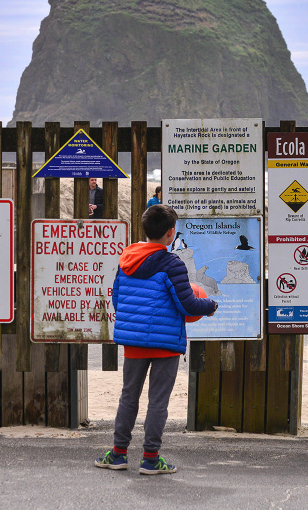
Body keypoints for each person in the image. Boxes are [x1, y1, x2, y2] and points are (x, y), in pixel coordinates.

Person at [96, 204, 218, 475]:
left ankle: (118, 454)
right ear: (171, 233)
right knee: (157, 401)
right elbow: (187, 304)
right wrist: (209, 306)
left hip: (134, 343)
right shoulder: (172, 263)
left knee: (129, 397)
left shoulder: (127, 259)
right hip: (165, 344)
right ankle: (150, 459)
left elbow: (117, 298)